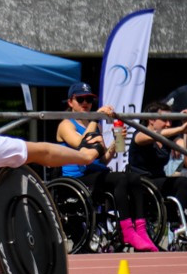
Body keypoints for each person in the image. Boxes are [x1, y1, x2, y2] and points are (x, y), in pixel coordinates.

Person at [54, 82, 160, 252]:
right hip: (77, 179)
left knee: (133, 177)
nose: (85, 103)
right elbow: (81, 145)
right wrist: (96, 117)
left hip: (95, 172)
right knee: (120, 179)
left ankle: (140, 229)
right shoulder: (67, 124)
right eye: (80, 99)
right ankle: (127, 231)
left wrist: (115, 143)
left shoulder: (94, 125)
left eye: (89, 99)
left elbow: (102, 160)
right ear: (70, 102)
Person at [129, 101, 187, 244]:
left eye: (170, 120)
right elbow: (154, 135)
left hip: (159, 181)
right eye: (164, 120)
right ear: (152, 120)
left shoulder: (169, 137)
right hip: (142, 183)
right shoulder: (140, 133)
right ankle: (182, 225)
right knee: (181, 182)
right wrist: (180, 128)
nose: (168, 124)